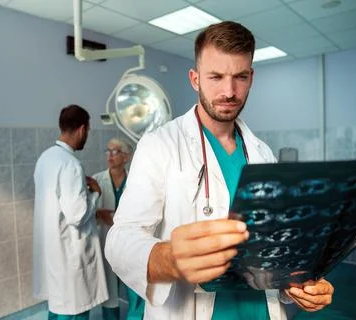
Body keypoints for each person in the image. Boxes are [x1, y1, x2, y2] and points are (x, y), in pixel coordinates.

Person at [105, 21, 334, 320]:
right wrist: (169, 259)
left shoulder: (261, 152)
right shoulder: (159, 145)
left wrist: (296, 285)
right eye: (215, 77)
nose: (229, 91)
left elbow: (275, 246)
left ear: (251, 77)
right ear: (195, 78)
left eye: (239, 77)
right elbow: (120, 238)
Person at [33, 104, 108, 320]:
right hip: (70, 251)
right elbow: (77, 216)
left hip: (53, 249)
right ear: (82, 129)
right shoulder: (71, 164)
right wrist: (95, 193)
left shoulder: (45, 158)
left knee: (57, 308)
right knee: (75, 309)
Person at [92, 138, 145, 320]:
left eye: (115, 152)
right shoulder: (97, 180)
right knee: (110, 294)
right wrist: (98, 213)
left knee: (136, 290)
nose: (110, 156)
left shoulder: (137, 181)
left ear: (126, 157)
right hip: (107, 241)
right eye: (108, 151)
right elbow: (86, 211)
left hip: (131, 244)